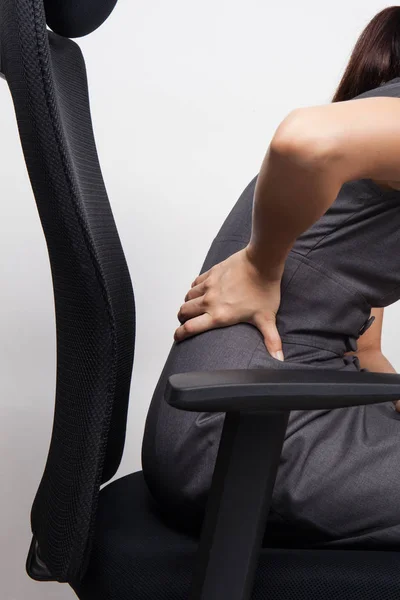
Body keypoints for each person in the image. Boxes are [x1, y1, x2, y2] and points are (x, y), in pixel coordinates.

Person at [141, 6, 400, 549]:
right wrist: (261, 267)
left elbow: (367, 346)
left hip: (238, 421)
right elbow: (303, 139)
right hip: (247, 438)